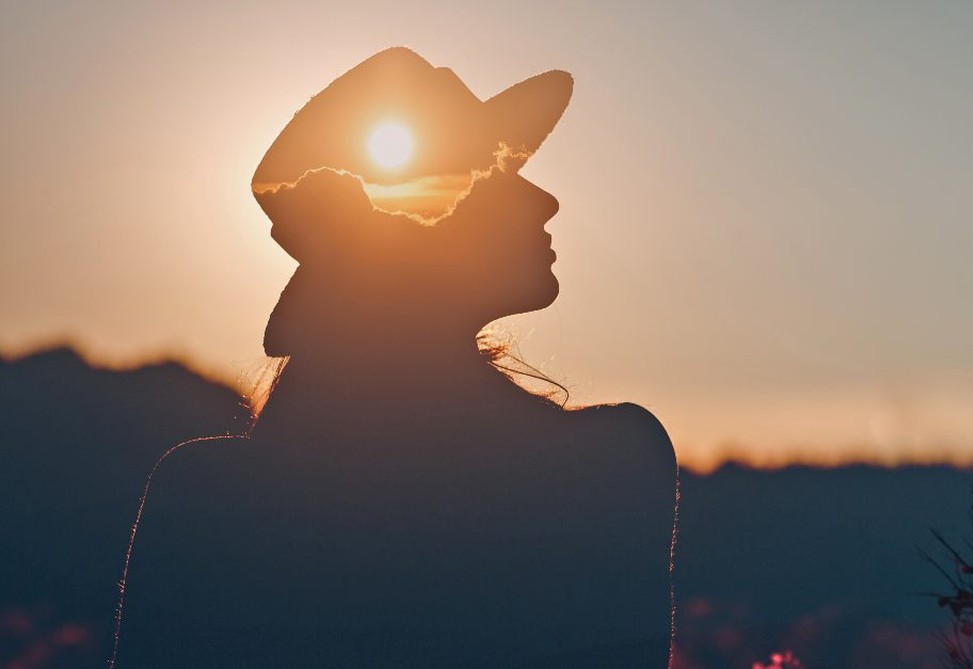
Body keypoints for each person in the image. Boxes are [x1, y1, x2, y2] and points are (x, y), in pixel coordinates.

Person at [113, 47, 678, 668]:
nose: (545, 200)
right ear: (417, 232)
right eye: (492, 175)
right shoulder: (610, 461)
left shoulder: (206, 494)